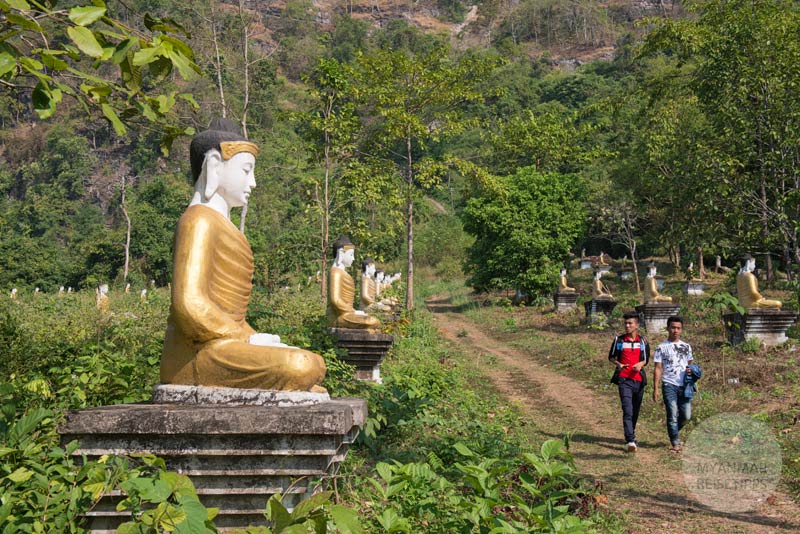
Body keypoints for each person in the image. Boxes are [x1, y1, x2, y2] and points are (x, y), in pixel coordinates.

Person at [161, 118, 326, 392]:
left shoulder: (219, 224)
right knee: (301, 366)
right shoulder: (198, 220)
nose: (254, 182)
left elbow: (232, 317)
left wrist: (253, 336)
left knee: (314, 364)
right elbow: (189, 305)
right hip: (195, 355)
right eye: (246, 171)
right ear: (214, 165)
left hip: (224, 343)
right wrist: (245, 339)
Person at [609, 312, 650, 452]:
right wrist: (618, 364)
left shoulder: (642, 342)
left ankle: (631, 432)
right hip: (624, 379)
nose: (627, 326)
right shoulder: (619, 340)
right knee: (627, 410)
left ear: (637, 325)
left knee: (635, 410)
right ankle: (630, 440)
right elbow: (611, 357)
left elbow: (646, 359)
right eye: (625, 323)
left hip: (638, 381)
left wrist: (641, 364)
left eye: (630, 323)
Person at [653, 316, 694, 451]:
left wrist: (692, 377)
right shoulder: (661, 347)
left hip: (684, 386)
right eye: (673, 328)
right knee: (672, 413)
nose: (675, 330)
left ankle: (673, 430)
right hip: (668, 384)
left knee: (686, 415)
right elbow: (658, 368)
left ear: (681, 330)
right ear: (668, 328)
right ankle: (675, 443)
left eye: (678, 328)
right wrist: (656, 388)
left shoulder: (686, 347)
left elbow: (690, 366)